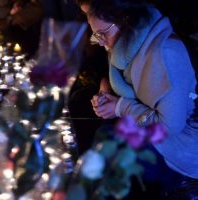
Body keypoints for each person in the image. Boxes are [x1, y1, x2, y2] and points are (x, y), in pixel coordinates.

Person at [77, 0, 198, 198]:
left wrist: (120, 107)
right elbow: (125, 83)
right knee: (97, 129)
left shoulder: (166, 53)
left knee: (109, 146)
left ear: (126, 20)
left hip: (182, 149)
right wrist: (106, 93)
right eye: (95, 34)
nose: (99, 41)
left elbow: (168, 128)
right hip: (151, 128)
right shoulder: (129, 43)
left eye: (103, 33)